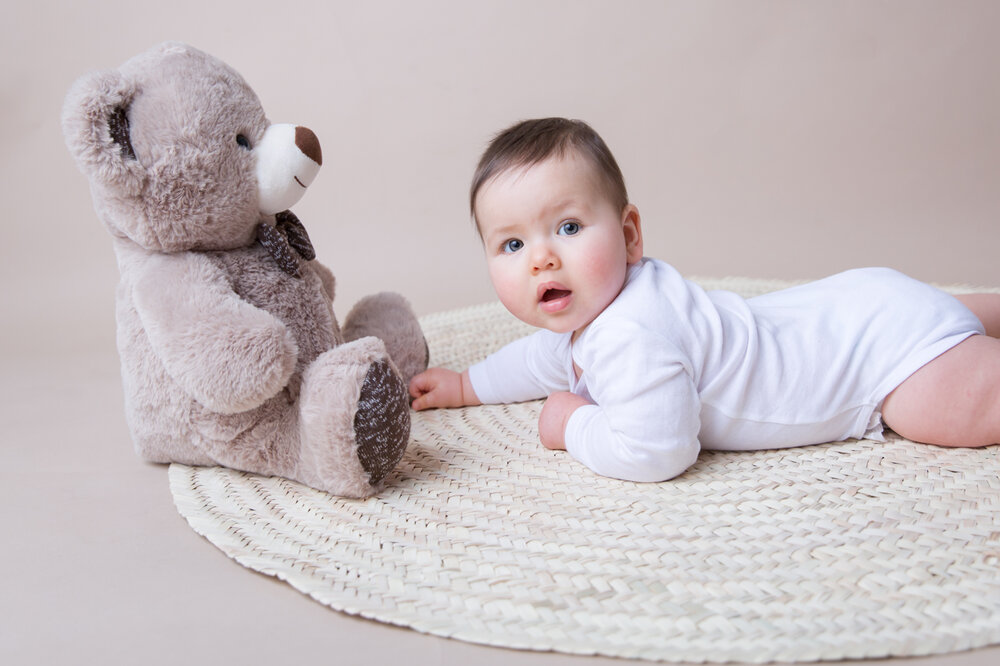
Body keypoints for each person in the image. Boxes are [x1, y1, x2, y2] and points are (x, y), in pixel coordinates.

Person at [409, 117, 1000, 482]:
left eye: (567, 228)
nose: (541, 258)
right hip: (865, 301)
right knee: (936, 310)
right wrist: (467, 386)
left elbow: (660, 450)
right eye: (512, 243)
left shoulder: (631, 335)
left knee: (949, 407)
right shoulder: (605, 304)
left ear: (629, 234)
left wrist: (572, 425)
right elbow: (541, 358)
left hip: (883, 363)